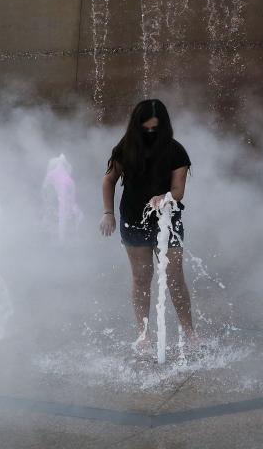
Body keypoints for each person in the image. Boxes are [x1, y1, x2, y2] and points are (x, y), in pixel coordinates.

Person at [99, 99, 195, 349]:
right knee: (141, 279)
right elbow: (108, 180)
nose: (150, 134)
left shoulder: (176, 151)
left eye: (155, 130)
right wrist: (108, 212)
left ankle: (189, 332)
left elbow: (178, 191)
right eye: (145, 129)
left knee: (174, 278)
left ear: (163, 127)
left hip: (168, 222)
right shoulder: (126, 148)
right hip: (133, 220)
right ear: (136, 126)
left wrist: (164, 198)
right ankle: (143, 334)